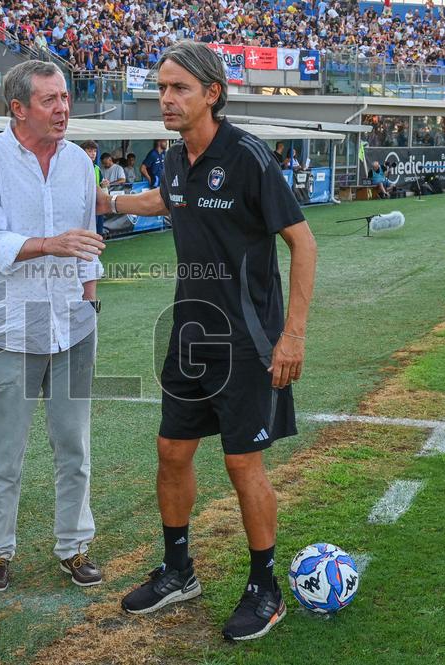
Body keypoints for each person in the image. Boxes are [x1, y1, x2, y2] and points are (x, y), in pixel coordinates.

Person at [96, 40, 317, 641]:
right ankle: (178, 570)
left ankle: (265, 587)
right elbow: (165, 200)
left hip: (248, 339)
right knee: (172, 451)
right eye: (162, 88)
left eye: (178, 89)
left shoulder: (246, 155)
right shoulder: (172, 156)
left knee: (242, 462)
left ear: (211, 93)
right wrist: (104, 200)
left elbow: (303, 242)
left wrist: (291, 335)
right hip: (190, 333)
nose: (165, 99)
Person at [0, 60, 106, 593]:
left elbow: (88, 243)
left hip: (73, 327)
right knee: (5, 452)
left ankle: (74, 547)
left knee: (75, 448)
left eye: (65, 97)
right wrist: (50, 244)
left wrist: (90, 306)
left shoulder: (78, 162)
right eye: (50, 100)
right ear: (18, 108)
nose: (63, 108)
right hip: (9, 331)